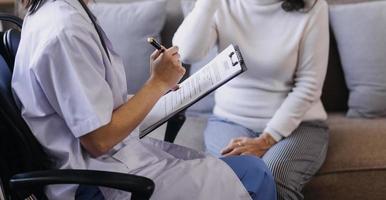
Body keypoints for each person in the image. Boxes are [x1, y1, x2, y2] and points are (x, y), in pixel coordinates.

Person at [12, 0, 278, 199]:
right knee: (254, 175)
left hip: (105, 165)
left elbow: (90, 104)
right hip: (95, 182)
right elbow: (99, 139)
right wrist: (157, 83)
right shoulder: (65, 31)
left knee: (240, 170)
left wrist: (157, 90)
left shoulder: (56, 14)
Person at [173, 0, 330, 199]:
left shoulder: (314, 6)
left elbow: (309, 85)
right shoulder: (222, 5)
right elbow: (186, 53)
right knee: (229, 181)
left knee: (273, 179)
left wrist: (267, 139)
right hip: (230, 120)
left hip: (299, 125)